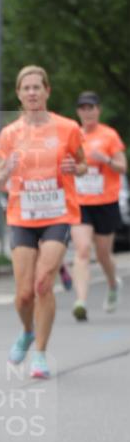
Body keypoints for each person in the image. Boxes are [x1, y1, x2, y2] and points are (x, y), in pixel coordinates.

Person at [0, 66, 86, 379]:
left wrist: (76, 167)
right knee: (23, 295)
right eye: (26, 88)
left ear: (47, 91)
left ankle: (41, 354)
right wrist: (6, 171)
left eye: (37, 87)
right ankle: (27, 331)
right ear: (18, 94)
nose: (32, 92)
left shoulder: (68, 128)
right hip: (22, 216)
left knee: (43, 282)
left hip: (58, 213)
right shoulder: (10, 134)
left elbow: (82, 164)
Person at [70, 91, 126, 320]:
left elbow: (123, 167)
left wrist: (106, 159)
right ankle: (81, 302)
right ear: (78, 112)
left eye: (91, 108)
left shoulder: (109, 135)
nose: (87, 112)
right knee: (82, 250)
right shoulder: (73, 135)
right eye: (83, 108)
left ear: (98, 110)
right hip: (81, 202)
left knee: (103, 255)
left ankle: (113, 284)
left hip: (105, 202)